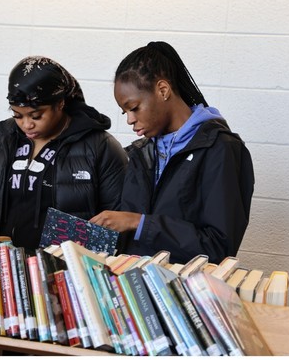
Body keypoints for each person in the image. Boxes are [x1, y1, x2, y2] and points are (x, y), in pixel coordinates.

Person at [90, 41, 255, 264]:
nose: (130, 120)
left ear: (163, 90)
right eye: (125, 112)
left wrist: (139, 223)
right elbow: (129, 241)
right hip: (134, 289)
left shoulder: (220, 149)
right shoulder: (141, 154)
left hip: (185, 293)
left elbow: (219, 247)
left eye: (134, 107)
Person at [0, 56, 128, 250]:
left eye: (36, 116)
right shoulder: (4, 140)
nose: (27, 124)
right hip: (5, 267)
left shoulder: (100, 147)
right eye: (17, 115)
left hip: (65, 273)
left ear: (60, 103)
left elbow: (118, 221)